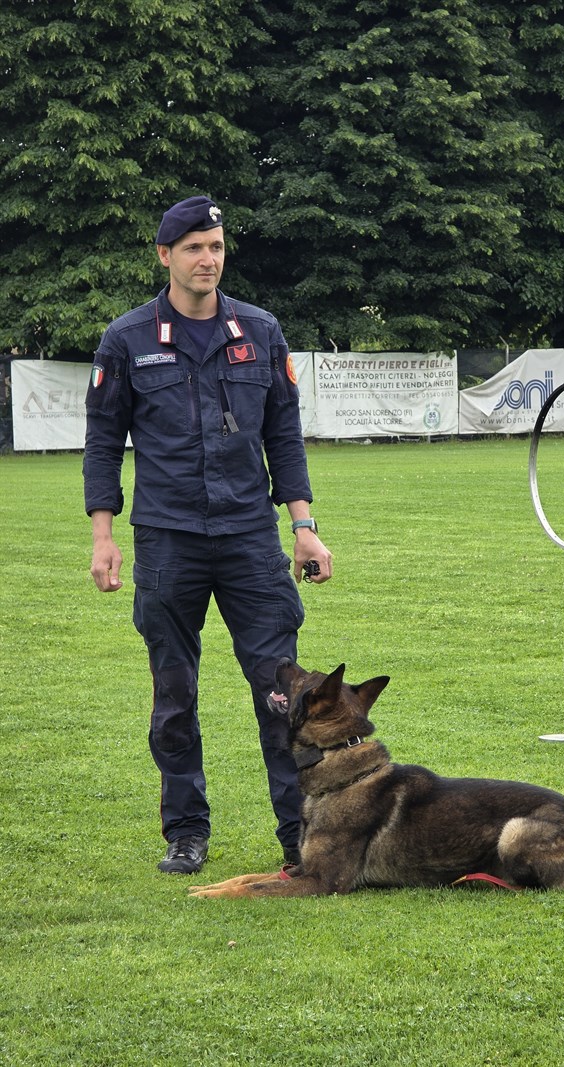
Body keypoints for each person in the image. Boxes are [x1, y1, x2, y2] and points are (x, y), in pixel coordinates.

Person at [83, 195, 331, 875]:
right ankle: (186, 831)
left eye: (216, 246)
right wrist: (103, 538)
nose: (207, 259)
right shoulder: (127, 340)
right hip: (168, 539)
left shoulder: (260, 330)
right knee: (174, 694)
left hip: (250, 536)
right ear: (164, 255)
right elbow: (103, 443)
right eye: (193, 247)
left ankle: (299, 833)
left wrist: (303, 528)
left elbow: (283, 434)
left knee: (283, 692)